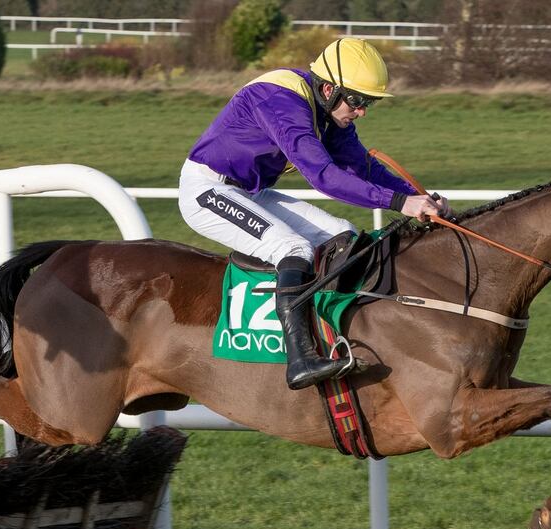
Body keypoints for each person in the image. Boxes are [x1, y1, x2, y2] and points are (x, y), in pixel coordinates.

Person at [178, 38, 449, 391]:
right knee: (293, 249)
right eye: (358, 101)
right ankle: (300, 358)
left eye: (369, 103)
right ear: (328, 88)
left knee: (342, 235)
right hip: (206, 191)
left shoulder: (327, 111)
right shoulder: (280, 101)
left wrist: (418, 196)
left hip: (248, 191)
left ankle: (338, 335)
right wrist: (399, 203)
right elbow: (324, 176)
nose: (362, 111)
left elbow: (362, 167)